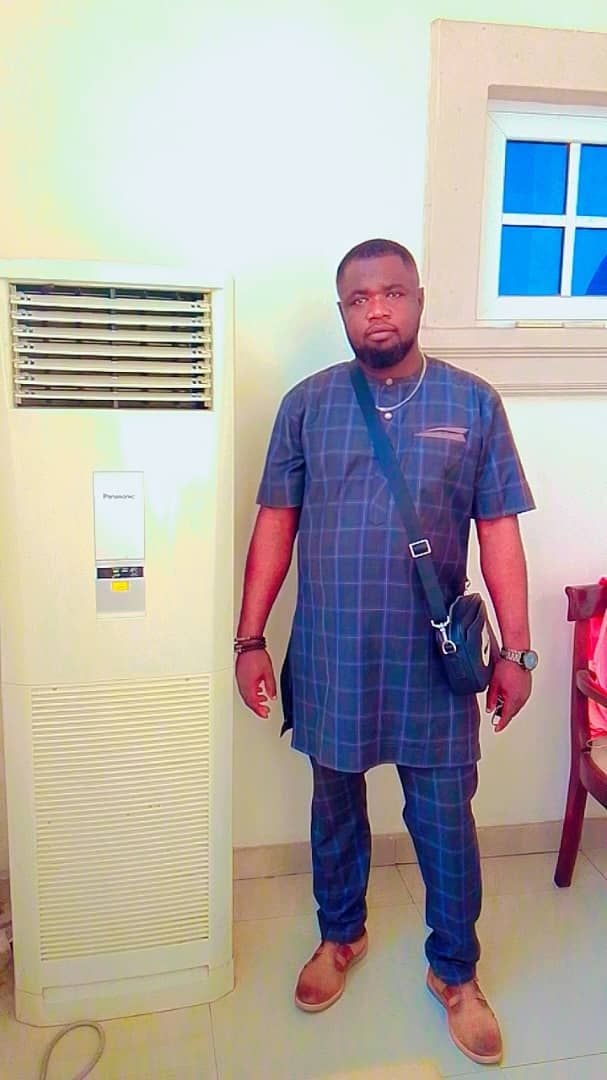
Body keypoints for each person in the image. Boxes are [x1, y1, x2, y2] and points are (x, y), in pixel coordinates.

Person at [235, 238, 537, 1067]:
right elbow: (274, 525)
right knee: (332, 809)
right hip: (331, 654)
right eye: (359, 298)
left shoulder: (472, 404)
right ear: (342, 311)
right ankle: (340, 935)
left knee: (444, 823)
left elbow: (498, 532)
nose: (377, 309)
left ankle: (456, 973)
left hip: (432, 665)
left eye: (392, 293)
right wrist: (249, 637)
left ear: (418, 299)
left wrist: (516, 653)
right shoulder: (306, 405)